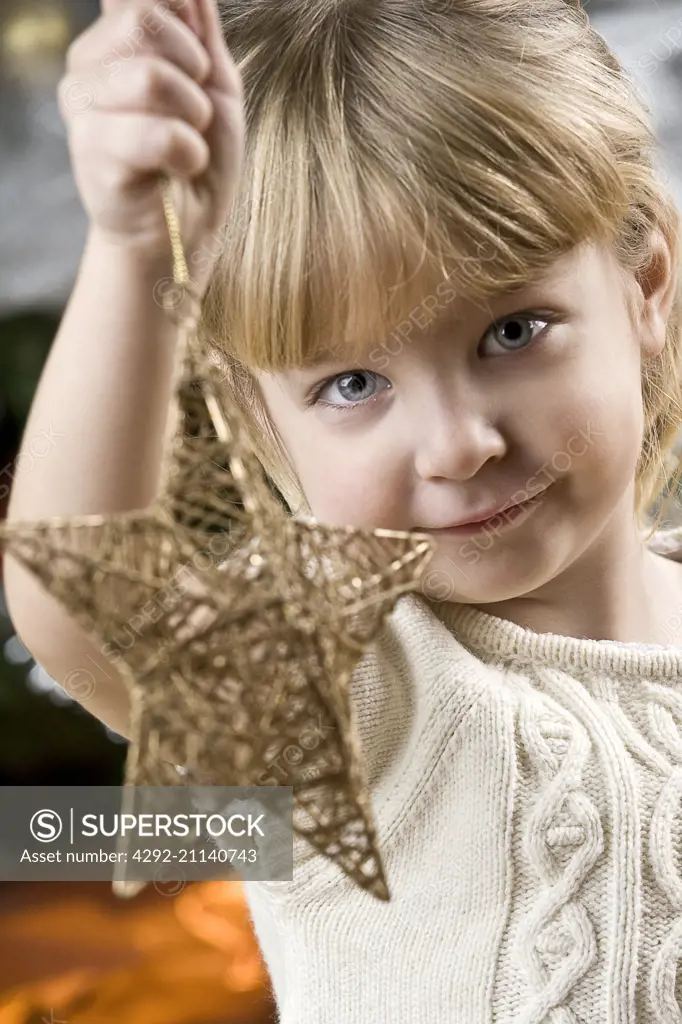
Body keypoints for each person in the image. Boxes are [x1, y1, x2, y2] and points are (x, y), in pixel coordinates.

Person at [6, 0, 682, 1019]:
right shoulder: (358, 679)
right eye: (354, 385)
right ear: (258, 417)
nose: (459, 443)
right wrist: (136, 248)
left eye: (512, 330)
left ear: (644, 285)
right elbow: (96, 599)